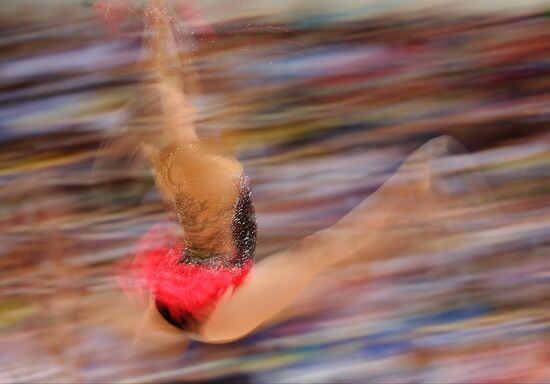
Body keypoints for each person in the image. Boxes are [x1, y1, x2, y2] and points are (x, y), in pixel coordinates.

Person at [95, 0, 486, 346]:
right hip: (215, 306)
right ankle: (412, 185)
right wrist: (159, 16)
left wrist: (157, 14)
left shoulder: (177, 148)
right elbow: (166, 83)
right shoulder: (183, 153)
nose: (188, 104)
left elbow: (165, 75)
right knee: (320, 251)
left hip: (186, 287)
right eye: (181, 106)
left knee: (321, 260)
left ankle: (410, 211)